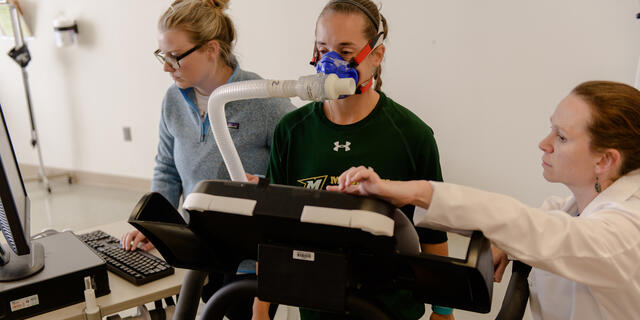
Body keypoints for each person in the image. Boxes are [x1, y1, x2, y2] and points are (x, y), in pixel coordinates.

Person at [328, 80, 640, 320]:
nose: (544, 143)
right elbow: (549, 217)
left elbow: (542, 229)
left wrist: (412, 191)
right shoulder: (582, 204)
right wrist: (510, 240)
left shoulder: (624, 234)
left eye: (561, 137)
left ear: (604, 160)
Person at [253, 1, 454, 319]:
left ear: (376, 55)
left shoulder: (411, 135)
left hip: (390, 311)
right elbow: (275, 231)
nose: (330, 63)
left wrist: (443, 311)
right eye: (322, 49)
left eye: (346, 52)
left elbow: (433, 233)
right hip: (317, 307)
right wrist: (260, 309)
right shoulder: (292, 131)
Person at [120, 0, 294, 318]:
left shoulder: (263, 101)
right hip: (200, 244)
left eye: (175, 57)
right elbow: (167, 168)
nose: (166, 67)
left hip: (250, 258)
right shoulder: (173, 99)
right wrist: (155, 224)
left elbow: (295, 174)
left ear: (211, 48)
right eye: (162, 55)